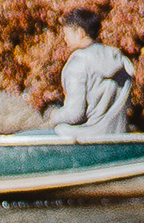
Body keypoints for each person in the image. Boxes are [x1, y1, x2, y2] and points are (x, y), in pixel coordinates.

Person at [50, 7, 134, 136]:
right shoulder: (119, 61)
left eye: (67, 34)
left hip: (87, 138)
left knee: (32, 135)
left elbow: (74, 113)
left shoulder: (78, 65)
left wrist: (54, 116)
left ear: (80, 33)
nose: (65, 40)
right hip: (118, 136)